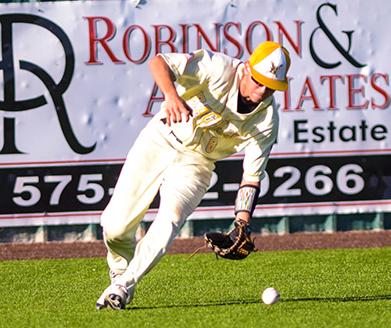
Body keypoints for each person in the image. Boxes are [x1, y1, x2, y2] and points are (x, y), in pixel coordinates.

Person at [96, 41, 291, 310]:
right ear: (246, 69)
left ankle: (124, 285)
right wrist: (171, 95)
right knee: (115, 228)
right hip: (161, 138)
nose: (263, 91)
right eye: (259, 81)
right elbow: (159, 62)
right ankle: (119, 269)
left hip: (198, 164)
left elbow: (251, 177)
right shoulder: (219, 68)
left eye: (272, 87)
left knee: (172, 217)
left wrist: (242, 222)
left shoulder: (266, 120)